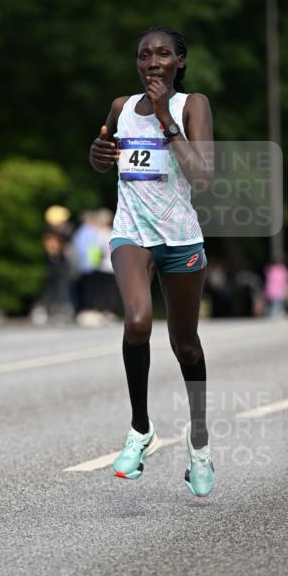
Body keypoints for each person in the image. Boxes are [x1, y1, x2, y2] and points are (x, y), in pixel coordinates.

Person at [89, 25, 215, 497]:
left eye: (163, 54)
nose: (153, 62)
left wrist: (165, 116)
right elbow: (104, 155)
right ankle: (140, 430)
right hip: (132, 233)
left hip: (180, 239)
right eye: (145, 55)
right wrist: (98, 155)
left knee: (186, 344)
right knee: (137, 322)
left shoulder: (191, 105)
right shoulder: (122, 107)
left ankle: (198, 442)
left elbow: (202, 176)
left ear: (179, 62)